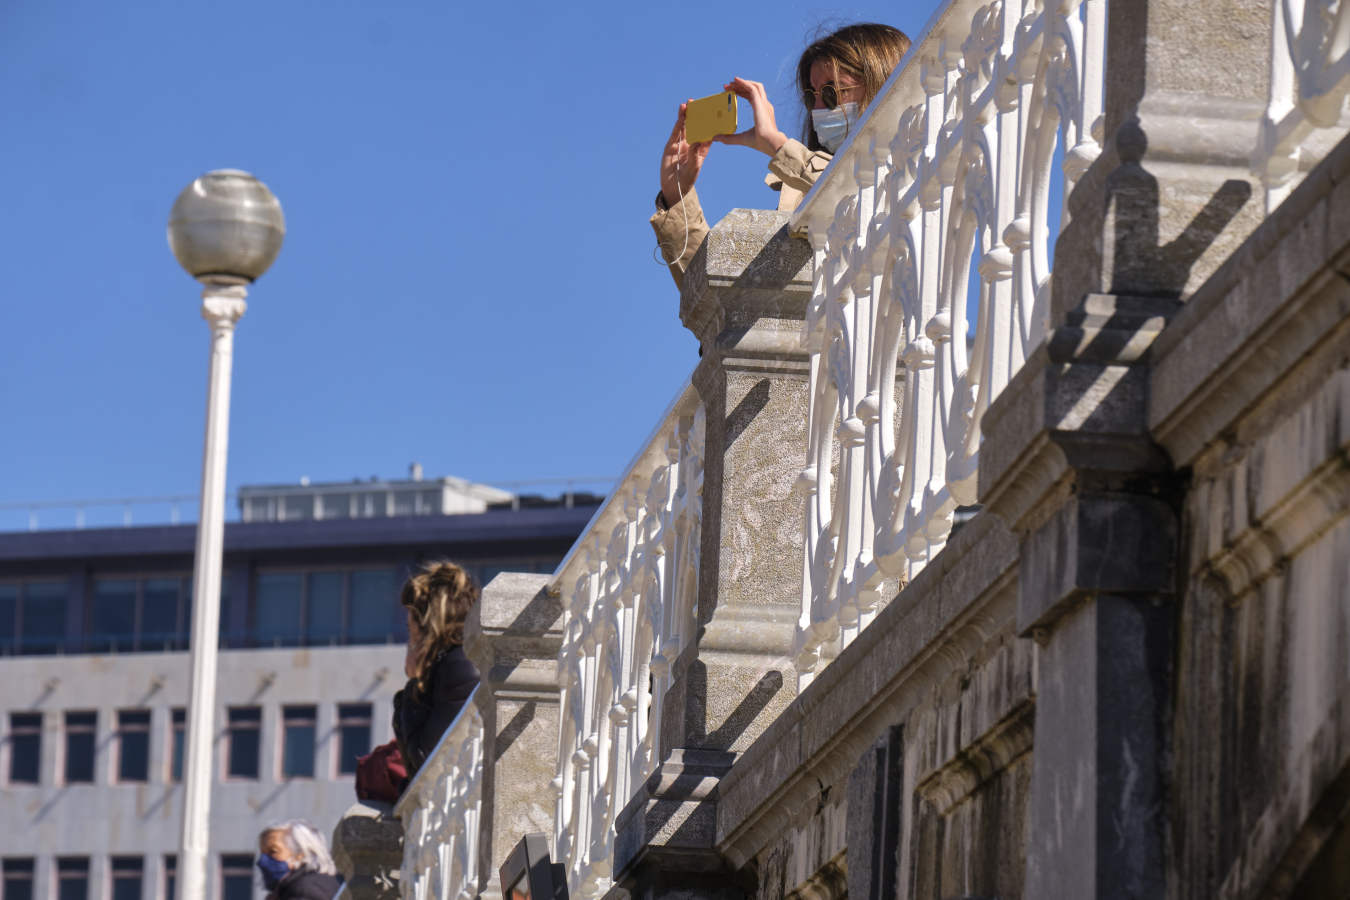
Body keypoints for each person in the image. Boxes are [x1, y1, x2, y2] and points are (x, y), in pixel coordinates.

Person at [652, 23, 911, 288]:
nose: (817, 108)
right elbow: (717, 294)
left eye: (832, 92)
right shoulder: (800, 192)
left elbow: (871, 197)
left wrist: (777, 145)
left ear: (884, 87)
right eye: (812, 97)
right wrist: (677, 197)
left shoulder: (917, 167)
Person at [392, 560, 481, 778]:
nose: (408, 640)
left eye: (410, 629)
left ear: (428, 628)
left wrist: (412, 687)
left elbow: (425, 762)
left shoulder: (459, 669)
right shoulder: (455, 664)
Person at [255, 821, 342, 900]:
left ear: (300, 854)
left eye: (273, 852)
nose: (262, 861)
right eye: (263, 853)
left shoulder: (306, 890)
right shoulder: (309, 884)